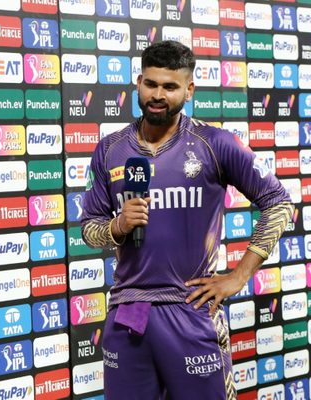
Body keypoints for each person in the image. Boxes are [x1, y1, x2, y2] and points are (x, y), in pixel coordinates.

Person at [80, 40, 294, 400]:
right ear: (138, 83)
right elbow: (89, 229)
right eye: (150, 84)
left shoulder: (215, 143)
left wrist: (239, 276)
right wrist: (117, 227)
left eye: (170, 86)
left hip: (190, 309)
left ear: (189, 90)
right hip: (128, 311)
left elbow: (279, 203)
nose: (157, 95)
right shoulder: (110, 149)